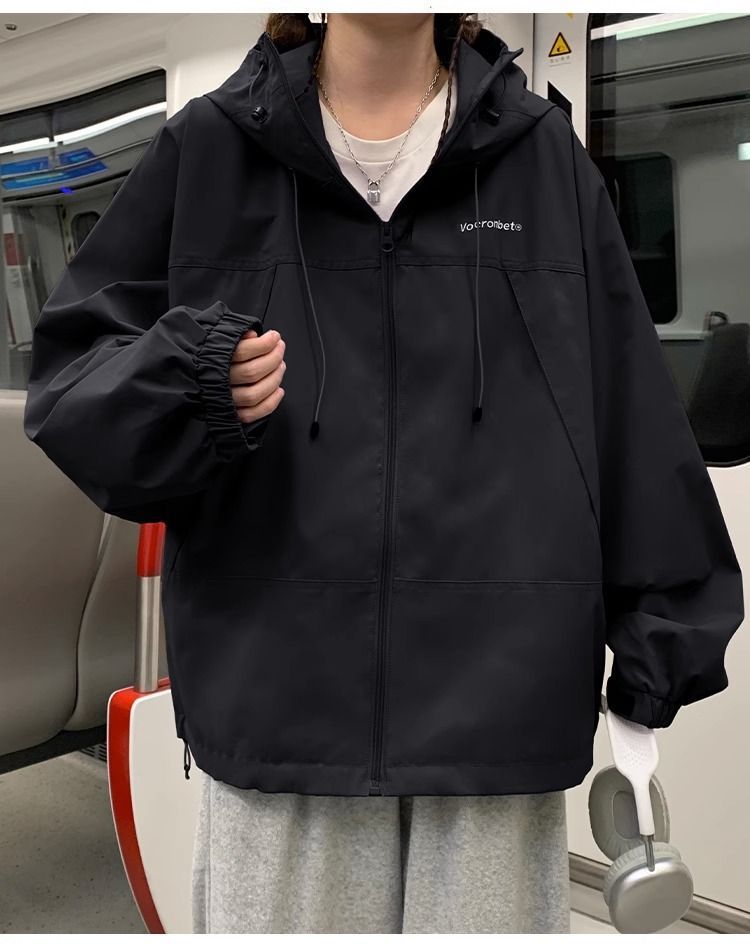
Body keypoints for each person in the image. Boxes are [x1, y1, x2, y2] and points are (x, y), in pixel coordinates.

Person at [22, 11, 744, 935]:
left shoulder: (541, 158)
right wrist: (189, 382)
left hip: (499, 703)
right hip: (280, 694)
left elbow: (629, 411)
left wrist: (662, 640)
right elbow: (74, 386)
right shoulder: (210, 149)